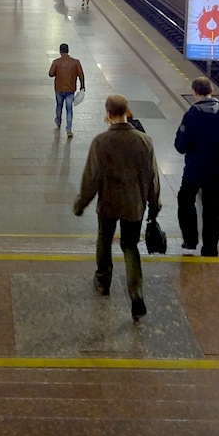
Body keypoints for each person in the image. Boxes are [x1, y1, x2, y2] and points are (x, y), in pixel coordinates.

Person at [72, 94, 162, 320]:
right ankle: (136, 294)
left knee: (104, 239)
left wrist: (80, 203)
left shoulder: (101, 142)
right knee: (130, 246)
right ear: (127, 112)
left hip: (109, 203)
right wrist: (155, 203)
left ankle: (103, 281)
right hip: (135, 204)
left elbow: (91, 178)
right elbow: (152, 177)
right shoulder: (144, 141)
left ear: (108, 113)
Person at [174, 76, 219, 257]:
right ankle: (210, 248)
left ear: (195, 92)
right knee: (212, 208)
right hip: (218, 171)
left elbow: (180, 146)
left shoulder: (192, 114)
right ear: (212, 91)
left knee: (185, 200)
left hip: (194, 170)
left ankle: (190, 241)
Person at [48, 43, 85, 135]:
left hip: (59, 89)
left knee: (59, 106)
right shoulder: (75, 62)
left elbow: (51, 74)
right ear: (68, 51)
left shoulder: (56, 62)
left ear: (60, 51)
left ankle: (58, 120)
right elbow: (81, 75)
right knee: (69, 109)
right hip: (70, 90)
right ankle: (69, 129)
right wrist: (82, 86)